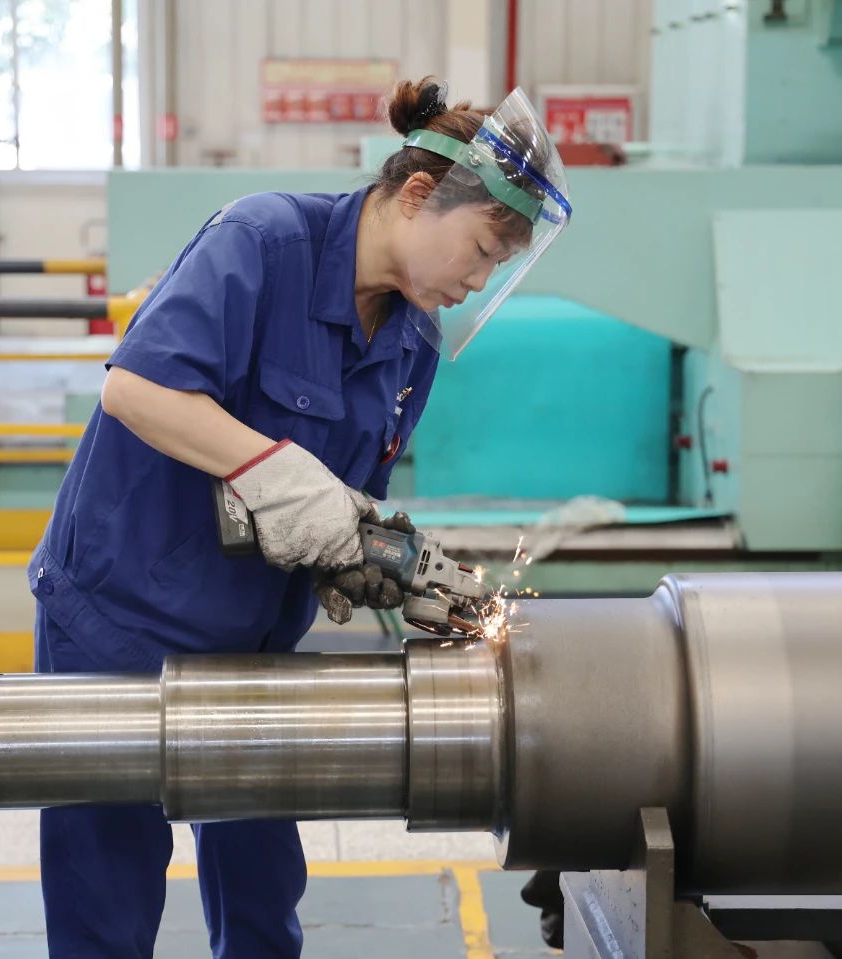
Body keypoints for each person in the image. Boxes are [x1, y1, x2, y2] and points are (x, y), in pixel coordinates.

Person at [28, 75, 571, 958]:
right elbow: (135, 389)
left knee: (261, 885)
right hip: (121, 614)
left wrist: (379, 561)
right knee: (107, 891)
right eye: (478, 251)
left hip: (249, 641)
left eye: (496, 270)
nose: (476, 282)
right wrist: (278, 475)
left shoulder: (411, 344)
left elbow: (337, 508)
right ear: (418, 194)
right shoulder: (263, 241)